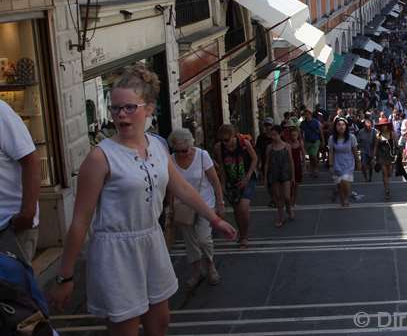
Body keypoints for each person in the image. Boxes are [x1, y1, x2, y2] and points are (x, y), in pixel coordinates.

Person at [49, 64, 236, 334]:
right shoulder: (100, 158)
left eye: (129, 108)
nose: (120, 115)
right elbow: (79, 221)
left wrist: (214, 218)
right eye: (115, 108)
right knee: (125, 330)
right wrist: (65, 276)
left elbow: (181, 187)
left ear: (148, 108)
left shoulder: (158, 146)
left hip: (151, 240)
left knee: (159, 323)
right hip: (116, 251)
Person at [167, 128, 225, 287]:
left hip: (205, 202)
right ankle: (196, 270)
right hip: (183, 206)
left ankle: (210, 265)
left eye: (184, 150)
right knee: (190, 241)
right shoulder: (171, 160)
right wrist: (171, 208)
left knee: (203, 238)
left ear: (190, 145)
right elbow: (171, 186)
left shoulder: (202, 155)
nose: (182, 154)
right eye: (177, 151)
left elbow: (215, 180)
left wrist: (220, 203)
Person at [0, 99, 41, 264]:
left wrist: (26, 214)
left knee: (14, 288)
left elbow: (30, 160)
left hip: (10, 228)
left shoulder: (1, 112)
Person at [214, 124, 258, 249]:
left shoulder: (244, 144)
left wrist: (247, 177)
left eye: (227, 140)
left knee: (243, 207)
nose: (225, 143)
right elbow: (222, 167)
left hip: (247, 179)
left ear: (234, 136)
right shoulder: (219, 148)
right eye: (222, 140)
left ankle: (244, 237)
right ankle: (241, 233)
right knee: (237, 210)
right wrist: (222, 183)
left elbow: (254, 159)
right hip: (231, 181)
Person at [264, 124, 295, 227]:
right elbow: (267, 163)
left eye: (275, 135)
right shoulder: (269, 147)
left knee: (286, 196)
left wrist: (293, 176)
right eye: (271, 135)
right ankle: (280, 217)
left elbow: (291, 161)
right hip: (274, 174)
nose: (273, 137)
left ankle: (289, 208)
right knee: (278, 197)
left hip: (285, 173)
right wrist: (265, 177)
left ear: (280, 134)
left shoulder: (287, 146)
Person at [329, 118, 360, 207]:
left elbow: (355, 150)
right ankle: (342, 198)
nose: (341, 127)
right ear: (335, 127)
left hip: (349, 163)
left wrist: (358, 162)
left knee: (345, 181)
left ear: (346, 126)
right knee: (339, 184)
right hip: (337, 163)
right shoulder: (332, 138)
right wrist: (330, 165)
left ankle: (346, 197)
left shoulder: (351, 137)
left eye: (343, 125)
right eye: (338, 125)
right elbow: (331, 152)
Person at [373, 115, 396, 201]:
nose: (383, 127)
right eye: (382, 125)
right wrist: (374, 157)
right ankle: (387, 190)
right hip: (381, 156)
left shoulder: (392, 133)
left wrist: (397, 155)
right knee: (385, 173)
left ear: (387, 125)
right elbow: (375, 146)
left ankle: (387, 184)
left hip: (390, 156)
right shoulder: (378, 135)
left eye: (385, 125)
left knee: (389, 173)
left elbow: (396, 146)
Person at [285, 122, 305, 209]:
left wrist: (304, 164)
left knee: (296, 185)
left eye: (295, 135)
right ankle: (289, 200)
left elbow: (303, 153)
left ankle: (294, 202)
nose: (294, 136)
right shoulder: (287, 144)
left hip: (298, 166)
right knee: (290, 185)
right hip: (289, 166)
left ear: (297, 135)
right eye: (292, 135)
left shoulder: (300, 142)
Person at [299, 109, 322, 178]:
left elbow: (320, 131)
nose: (306, 115)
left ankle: (316, 169)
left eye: (308, 114)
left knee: (313, 155)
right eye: (305, 114)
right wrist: (301, 140)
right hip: (307, 141)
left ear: (310, 114)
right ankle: (312, 169)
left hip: (315, 140)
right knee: (311, 157)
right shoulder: (303, 123)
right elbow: (301, 132)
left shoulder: (315, 122)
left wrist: (322, 140)